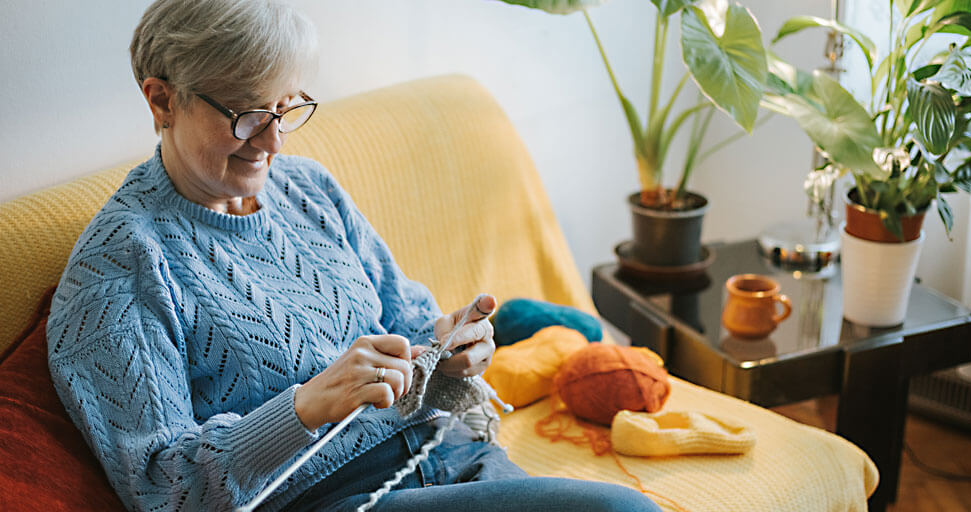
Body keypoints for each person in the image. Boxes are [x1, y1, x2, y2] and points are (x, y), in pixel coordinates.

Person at [46, 1, 661, 511]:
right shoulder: (122, 268)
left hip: (452, 457)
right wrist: (305, 407)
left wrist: (452, 350)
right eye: (247, 114)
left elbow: (410, 322)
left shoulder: (307, 187)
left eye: (287, 107)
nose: (273, 140)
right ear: (161, 101)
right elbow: (162, 490)